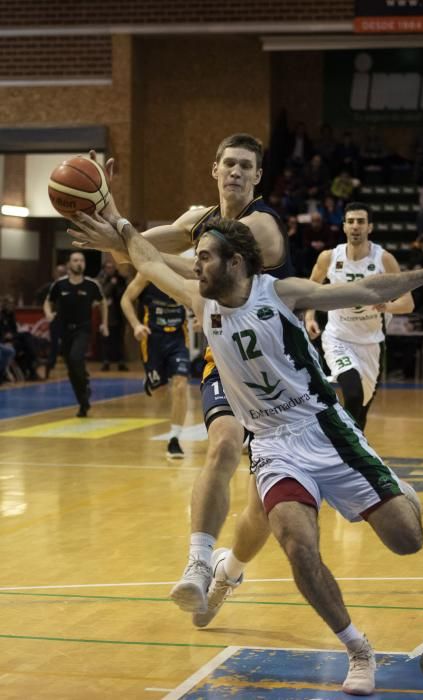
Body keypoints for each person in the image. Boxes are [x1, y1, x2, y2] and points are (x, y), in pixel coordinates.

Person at [69, 213, 423, 696]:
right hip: (273, 445)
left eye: (203, 258)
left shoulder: (280, 293)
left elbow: (369, 291)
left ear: (234, 262)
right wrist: (117, 220)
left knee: (408, 540)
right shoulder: (202, 301)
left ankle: (396, 493)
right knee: (297, 546)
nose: (195, 267)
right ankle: (357, 647)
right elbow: (149, 261)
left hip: (323, 429)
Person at [83, 134, 294, 616]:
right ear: (214, 169)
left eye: (246, 165)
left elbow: (180, 266)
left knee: (265, 506)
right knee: (220, 444)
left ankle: (230, 571)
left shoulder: (261, 226)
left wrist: (129, 240)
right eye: (229, 164)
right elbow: (126, 250)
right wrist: (102, 206)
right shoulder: (197, 220)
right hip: (225, 359)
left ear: (258, 176)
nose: (236, 172)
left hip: (281, 371)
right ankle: (198, 565)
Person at [305, 203, 414, 431]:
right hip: (338, 338)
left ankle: (351, 452)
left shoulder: (384, 259)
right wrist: (309, 318)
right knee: (352, 394)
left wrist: (387, 307)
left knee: (360, 412)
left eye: (361, 222)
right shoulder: (329, 257)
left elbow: (408, 303)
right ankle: (337, 446)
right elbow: (310, 290)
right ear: (344, 226)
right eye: (351, 221)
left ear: (370, 227)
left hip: (371, 343)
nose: (356, 226)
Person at [121, 273, 189, 459]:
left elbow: (205, 296)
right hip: (152, 340)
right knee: (159, 392)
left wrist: (202, 317)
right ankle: (151, 382)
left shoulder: (182, 273)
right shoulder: (147, 274)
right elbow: (126, 299)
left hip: (178, 339)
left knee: (181, 385)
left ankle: (174, 439)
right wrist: (135, 325)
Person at [45, 251, 109, 417]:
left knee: (75, 357)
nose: (79, 263)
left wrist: (104, 324)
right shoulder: (60, 284)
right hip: (65, 330)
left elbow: (103, 303)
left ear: (84, 264)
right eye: (75, 260)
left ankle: (85, 383)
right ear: (69, 264)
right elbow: (48, 301)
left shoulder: (91, 285)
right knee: (71, 369)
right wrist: (48, 314)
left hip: (83, 329)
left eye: (81, 260)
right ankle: (83, 402)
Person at [97, 259, 129, 371]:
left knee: (119, 339)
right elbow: (103, 294)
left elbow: (125, 294)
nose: (110, 269)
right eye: (107, 267)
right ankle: (106, 362)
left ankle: (121, 362)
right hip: (108, 316)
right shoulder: (102, 279)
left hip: (120, 313)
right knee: (106, 339)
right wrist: (111, 284)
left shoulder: (120, 279)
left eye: (111, 267)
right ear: (105, 269)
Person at [37, 263, 67, 379]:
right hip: (55, 318)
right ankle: (50, 365)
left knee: (68, 343)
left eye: (63, 273)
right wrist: (48, 309)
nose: (61, 275)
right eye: (59, 273)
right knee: (54, 344)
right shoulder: (50, 286)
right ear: (55, 274)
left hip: (68, 319)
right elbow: (39, 295)